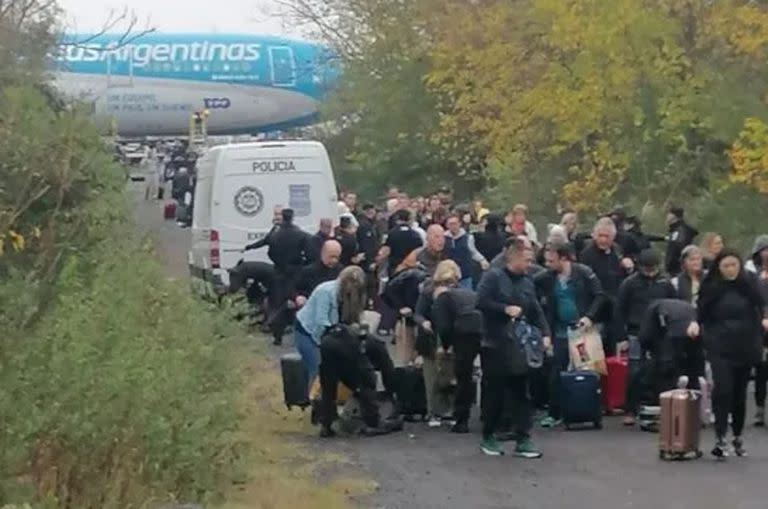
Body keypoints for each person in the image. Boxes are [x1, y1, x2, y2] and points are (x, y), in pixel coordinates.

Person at [688, 250, 768, 459]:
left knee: (739, 394)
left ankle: (737, 436)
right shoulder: (711, 284)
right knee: (723, 390)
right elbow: (701, 310)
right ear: (719, 268)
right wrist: (695, 323)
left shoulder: (750, 282)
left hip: (746, 343)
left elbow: (763, 303)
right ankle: (720, 437)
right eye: (726, 266)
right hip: (720, 344)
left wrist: (765, 319)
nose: (731, 270)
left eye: (734, 265)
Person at [476, 239, 551, 458]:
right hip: (494, 343)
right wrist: (504, 309)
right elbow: (480, 302)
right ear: (514, 258)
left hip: (519, 345)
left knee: (522, 392)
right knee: (495, 392)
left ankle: (523, 438)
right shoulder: (493, 277)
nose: (530, 264)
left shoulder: (527, 281)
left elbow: (536, 309)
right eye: (526, 260)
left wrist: (545, 333)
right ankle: (488, 435)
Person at [314, 267, 402, 438]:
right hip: (346, 340)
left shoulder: (337, 294)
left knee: (329, 384)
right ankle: (374, 421)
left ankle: (326, 423)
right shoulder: (335, 295)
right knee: (367, 378)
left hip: (328, 341)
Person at [535, 242, 605, 428]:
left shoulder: (584, 273)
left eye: (552, 260)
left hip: (583, 331)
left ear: (564, 258)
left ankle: (591, 410)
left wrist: (590, 317)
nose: (548, 264)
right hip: (559, 330)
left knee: (588, 369)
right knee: (556, 369)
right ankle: (554, 412)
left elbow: (600, 295)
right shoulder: (545, 278)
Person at [615, 249, 677, 425]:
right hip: (636, 331)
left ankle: (659, 407)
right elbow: (619, 311)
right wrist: (621, 337)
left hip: (660, 333)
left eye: (653, 268)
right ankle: (630, 409)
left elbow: (675, 306)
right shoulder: (629, 284)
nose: (650, 272)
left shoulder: (666, 284)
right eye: (646, 268)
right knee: (635, 371)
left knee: (662, 370)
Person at [247, 208, 311, 345]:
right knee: (299, 302)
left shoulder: (275, 235)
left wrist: (249, 247)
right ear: (292, 217)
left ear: (283, 217)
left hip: (279, 272)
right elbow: (309, 252)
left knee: (277, 303)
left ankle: (277, 336)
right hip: (296, 272)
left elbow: (268, 249)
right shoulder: (301, 235)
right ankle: (300, 333)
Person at [579, 217, 634, 356]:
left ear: (613, 237)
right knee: (592, 356)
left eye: (607, 236)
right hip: (593, 310)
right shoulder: (587, 254)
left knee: (612, 354)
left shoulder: (617, 250)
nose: (603, 240)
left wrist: (628, 267)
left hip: (614, 310)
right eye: (600, 236)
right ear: (594, 235)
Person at [414, 262, 458, 429]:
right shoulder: (427, 293)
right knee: (431, 377)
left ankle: (451, 411)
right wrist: (424, 322)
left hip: (450, 339)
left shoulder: (456, 293)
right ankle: (434, 412)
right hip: (430, 339)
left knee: (450, 376)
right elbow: (418, 313)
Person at [746, 235, 768, 426]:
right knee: (761, 369)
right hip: (759, 328)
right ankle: (760, 408)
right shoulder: (752, 274)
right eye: (765, 249)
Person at [444, 214, 489, 289]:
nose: (453, 226)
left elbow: (473, 252)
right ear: (447, 225)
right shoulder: (444, 238)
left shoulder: (468, 237)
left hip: (465, 275)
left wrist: (482, 260)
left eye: (455, 223)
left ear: (459, 224)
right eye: (451, 224)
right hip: (448, 276)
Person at [380, 209, 424, 274]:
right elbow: (420, 251)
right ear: (409, 219)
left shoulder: (391, 233)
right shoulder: (416, 235)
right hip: (412, 268)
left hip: (395, 268)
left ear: (397, 218)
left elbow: (386, 251)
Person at [665, 206, 699, 276]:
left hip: (677, 270)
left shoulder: (679, 232)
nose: (666, 217)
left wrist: (669, 265)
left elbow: (677, 249)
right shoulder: (677, 230)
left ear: (673, 216)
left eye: (668, 214)